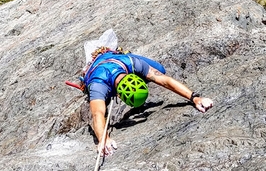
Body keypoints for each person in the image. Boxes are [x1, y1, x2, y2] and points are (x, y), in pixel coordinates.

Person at [82, 46, 213, 156]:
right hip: (98, 68)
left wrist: (195, 98)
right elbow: (97, 113)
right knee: (101, 102)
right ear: (119, 96)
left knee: (160, 70)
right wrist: (103, 139)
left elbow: (164, 80)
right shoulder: (98, 84)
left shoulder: (132, 63)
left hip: (120, 59)